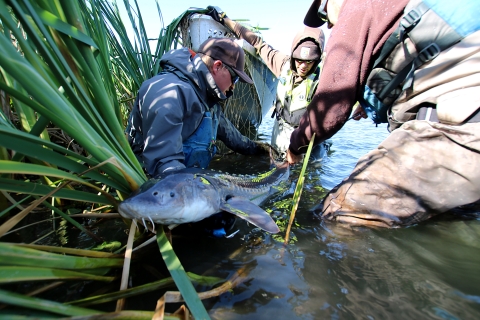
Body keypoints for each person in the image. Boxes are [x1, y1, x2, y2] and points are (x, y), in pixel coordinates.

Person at [287, 0, 480, 227]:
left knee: (333, 216)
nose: (328, 26)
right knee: (447, 229)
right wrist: (368, 103)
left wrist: (294, 147)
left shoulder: (358, 5)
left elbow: (329, 112)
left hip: (454, 132)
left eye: (323, 14)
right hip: (464, 133)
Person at [126, 37, 271, 178]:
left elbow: (231, 135)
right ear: (217, 66)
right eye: (235, 79)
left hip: (187, 183)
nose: (233, 86)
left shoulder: (207, 99)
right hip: (153, 188)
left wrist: (257, 149)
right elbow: (164, 165)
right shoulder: (170, 93)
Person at [207, 6, 330, 161]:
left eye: (309, 62)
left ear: (316, 61)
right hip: (281, 136)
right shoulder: (283, 64)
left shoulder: (322, 81)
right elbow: (257, 42)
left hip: (306, 148)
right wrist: (225, 19)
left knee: (306, 181)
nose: (303, 66)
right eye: (299, 60)